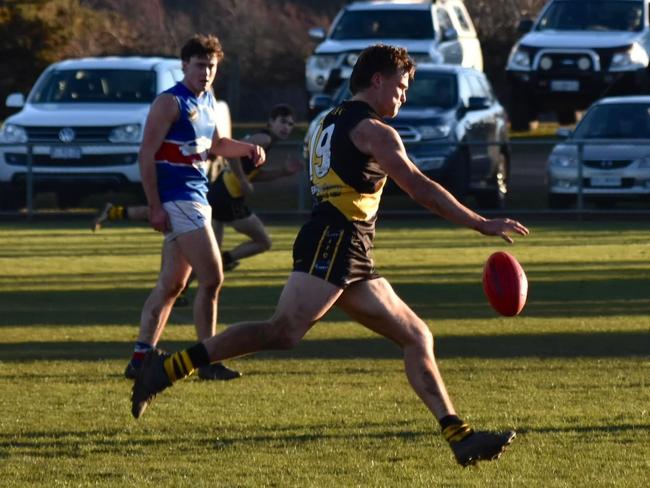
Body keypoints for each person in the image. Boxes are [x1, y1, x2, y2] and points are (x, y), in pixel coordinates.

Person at [130, 44, 529, 467]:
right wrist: (480, 222)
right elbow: (418, 186)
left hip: (348, 244)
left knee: (416, 336)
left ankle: (458, 436)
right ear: (377, 80)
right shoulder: (374, 130)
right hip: (336, 239)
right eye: (401, 86)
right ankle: (166, 369)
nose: (403, 96)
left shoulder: (329, 119)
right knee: (281, 331)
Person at [124, 34, 265, 382]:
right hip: (179, 199)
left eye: (211, 66)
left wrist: (248, 148)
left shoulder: (209, 100)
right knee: (213, 277)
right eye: (200, 65)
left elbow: (216, 144)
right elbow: (146, 154)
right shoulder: (170, 102)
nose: (206, 72)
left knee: (171, 285)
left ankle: (140, 358)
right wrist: (155, 206)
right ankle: (208, 360)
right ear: (184, 65)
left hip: (196, 197)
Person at [208, 104, 303, 271]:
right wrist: (243, 181)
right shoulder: (264, 139)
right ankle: (224, 261)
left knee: (210, 258)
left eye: (290, 124)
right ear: (271, 122)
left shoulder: (268, 141)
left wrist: (283, 172)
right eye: (282, 122)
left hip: (221, 192)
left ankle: (182, 289)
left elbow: (255, 174)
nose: (286, 127)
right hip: (227, 195)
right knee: (263, 242)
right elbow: (231, 152)